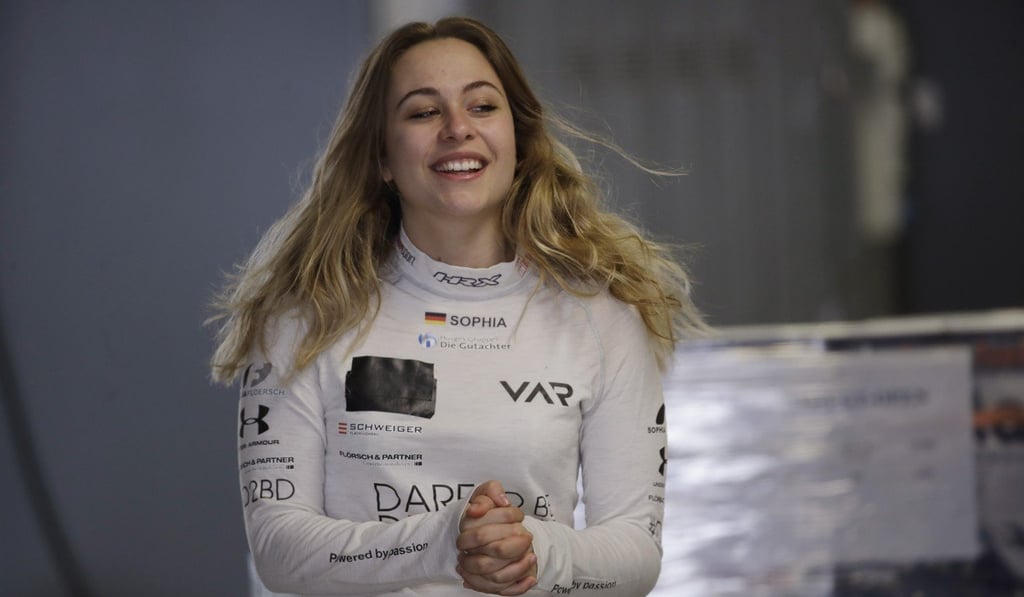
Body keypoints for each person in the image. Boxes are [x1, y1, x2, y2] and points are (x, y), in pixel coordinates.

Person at [210, 16, 704, 597]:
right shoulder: (302, 320)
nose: (457, 129)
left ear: (518, 141)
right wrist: (443, 544)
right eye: (423, 112)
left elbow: (636, 552)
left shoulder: (602, 320)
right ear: (382, 160)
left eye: (482, 107)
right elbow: (278, 550)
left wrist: (536, 553)